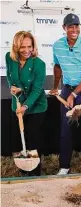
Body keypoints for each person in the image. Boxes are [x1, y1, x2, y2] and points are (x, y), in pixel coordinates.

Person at [49, 13, 81, 175]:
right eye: (70, 26)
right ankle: (64, 166)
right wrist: (56, 87)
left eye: (77, 26)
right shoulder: (57, 46)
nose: (74, 29)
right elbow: (57, 67)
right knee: (66, 129)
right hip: (67, 88)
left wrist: (73, 95)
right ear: (64, 28)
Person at [6, 31, 48, 176]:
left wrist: (25, 106)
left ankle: (35, 172)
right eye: (22, 47)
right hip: (17, 105)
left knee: (33, 140)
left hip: (36, 107)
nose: (26, 50)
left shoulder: (39, 64)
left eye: (29, 46)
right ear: (16, 47)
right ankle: (23, 170)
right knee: (18, 140)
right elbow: (9, 75)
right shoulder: (9, 58)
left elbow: (36, 90)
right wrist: (12, 87)